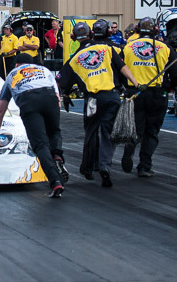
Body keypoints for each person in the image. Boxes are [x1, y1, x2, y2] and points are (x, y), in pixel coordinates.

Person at [56, 22, 139, 187]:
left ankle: (87, 167)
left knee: (91, 132)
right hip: (112, 96)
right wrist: (135, 84)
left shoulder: (74, 59)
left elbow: (60, 82)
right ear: (91, 34)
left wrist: (63, 96)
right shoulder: (106, 49)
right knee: (108, 134)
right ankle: (105, 167)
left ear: (73, 38)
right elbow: (122, 67)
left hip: (93, 99)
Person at [0, 54, 67, 198]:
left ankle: (55, 181)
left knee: (40, 144)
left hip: (28, 100)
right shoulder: (44, 70)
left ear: (17, 64)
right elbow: (58, 99)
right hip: (49, 97)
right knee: (54, 132)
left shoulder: (12, 74)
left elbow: (0, 111)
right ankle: (57, 154)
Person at [120, 18, 177, 178]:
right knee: (152, 131)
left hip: (134, 93)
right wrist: (169, 86)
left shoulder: (128, 47)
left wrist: (125, 86)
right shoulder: (165, 48)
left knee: (137, 127)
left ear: (138, 30)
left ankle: (131, 144)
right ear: (156, 30)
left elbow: (119, 68)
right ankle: (144, 166)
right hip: (157, 93)